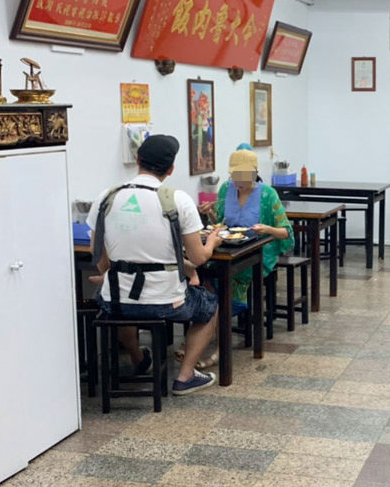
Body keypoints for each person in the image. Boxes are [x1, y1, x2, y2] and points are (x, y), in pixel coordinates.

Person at [87, 134, 221, 395]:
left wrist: (108, 274)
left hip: (118, 298)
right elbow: (198, 258)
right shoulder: (178, 200)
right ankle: (185, 376)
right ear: (171, 170)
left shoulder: (107, 197)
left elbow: (97, 253)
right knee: (209, 307)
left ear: (138, 160)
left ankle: (138, 358)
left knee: (121, 305)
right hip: (166, 301)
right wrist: (212, 241)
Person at [208, 148, 293, 305]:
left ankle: (231, 310)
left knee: (237, 272)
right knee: (207, 268)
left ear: (254, 174)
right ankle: (215, 311)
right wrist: (210, 213)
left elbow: (286, 232)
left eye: (244, 177)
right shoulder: (226, 189)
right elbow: (218, 224)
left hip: (259, 251)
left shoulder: (268, 194)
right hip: (228, 248)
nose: (238, 182)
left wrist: (267, 229)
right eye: (235, 177)